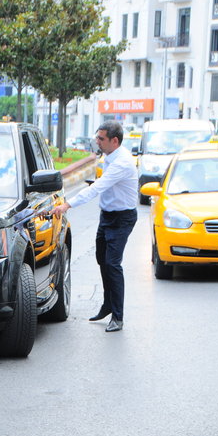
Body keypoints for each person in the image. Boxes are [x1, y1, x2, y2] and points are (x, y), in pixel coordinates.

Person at [48, 120, 137, 333]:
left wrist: (67, 204)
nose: (97, 141)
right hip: (107, 216)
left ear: (114, 141)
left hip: (122, 218)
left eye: (101, 138)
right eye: (97, 137)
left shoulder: (122, 162)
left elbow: (98, 188)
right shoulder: (109, 156)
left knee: (113, 264)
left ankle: (118, 316)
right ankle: (108, 305)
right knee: (102, 260)